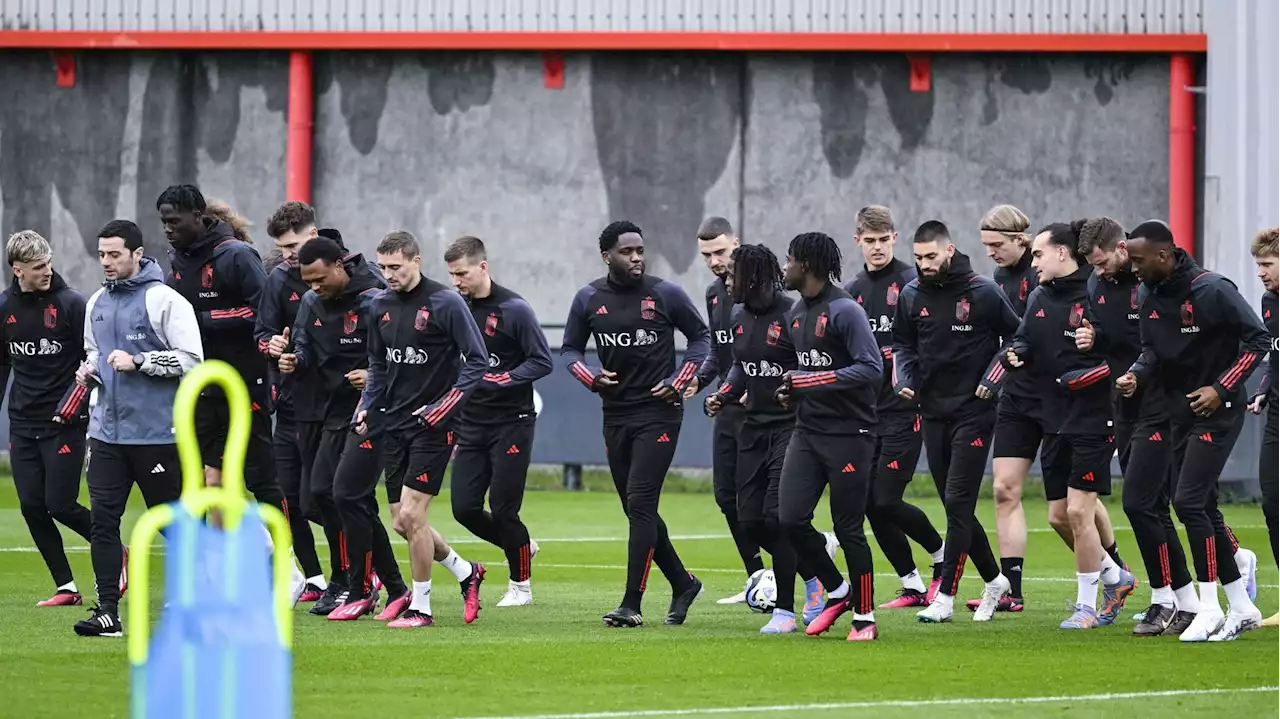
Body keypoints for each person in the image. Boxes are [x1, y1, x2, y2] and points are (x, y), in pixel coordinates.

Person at [1121, 219, 1267, 641]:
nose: (1133, 268)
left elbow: (1256, 341)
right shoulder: (1148, 292)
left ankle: (1207, 607)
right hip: (1178, 413)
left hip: (1218, 413)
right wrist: (1136, 374)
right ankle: (1241, 605)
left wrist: (1221, 389)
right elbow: (1151, 350)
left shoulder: (1212, 289)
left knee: (1187, 503)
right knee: (1203, 506)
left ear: (1164, 255)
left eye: (1138, 259)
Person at [562, 220, 710, 628]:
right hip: (615, 414)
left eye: (640, 250)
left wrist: (679, 381)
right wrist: (589, 376)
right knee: (635, 507)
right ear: (607, 256)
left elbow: (702, 338)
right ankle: (683, 583)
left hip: (659, 413)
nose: (637, 258)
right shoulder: (589, 298)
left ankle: (632, 603)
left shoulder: (665, 293)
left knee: (642, 502)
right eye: (627, 251)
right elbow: (570, 350)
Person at [66, 220, 202, 637]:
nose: (106, 262)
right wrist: (89, 372)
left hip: (158, 435)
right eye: (102, 254)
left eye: (114, 255)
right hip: (106, 434)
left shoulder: (166, 301)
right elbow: (95, 352)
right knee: (104, 521)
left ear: (137, 255)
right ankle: (107, 611)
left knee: (173, 521)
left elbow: (193, 361)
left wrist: (140, 361)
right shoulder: (96, 304)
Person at [1080, 218, 1209, 635]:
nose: (1098, 273)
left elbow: (1169, 343)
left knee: (1140, 502)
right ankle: (1171, 600)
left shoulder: (1152, 284)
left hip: (1162, 405)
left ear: (1122, 248)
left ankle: (1184, 596)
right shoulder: (1098, 286)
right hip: (1125, 405)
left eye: (1102, 263)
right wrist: (1092, 339)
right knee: (1150, 506)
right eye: (1093, 267)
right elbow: (1108, 335)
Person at [275, 236, 410, 622]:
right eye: (307, 281)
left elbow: (400, 354)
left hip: (372, 412)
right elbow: (303, 349)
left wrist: (372, 376)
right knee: (324, 498)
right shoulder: (311, 303)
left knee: (345, 495)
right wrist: (292, 361)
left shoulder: (374, 299)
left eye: (319, 279)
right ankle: (386, 585)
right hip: (330, 412)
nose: (313, 287)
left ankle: (357, 585)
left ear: (339, 266)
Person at [1003, 223, 1127, 629]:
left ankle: (1086, 606)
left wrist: (1089, 373)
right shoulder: (1038, 295)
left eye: (1038, 254)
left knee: (1078, 511)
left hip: (1093, 417)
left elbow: (1121, 351)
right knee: (1058, 516)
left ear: (1061, 253)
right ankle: (1116, 576)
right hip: (1052, 417)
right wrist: (1016, 354)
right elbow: (1024, 338)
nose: (1032, 262)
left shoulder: (1096, 293)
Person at [362, 231, 488, 629]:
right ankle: (466, 571)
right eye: (383, 268)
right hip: (394, 423)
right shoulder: (378, 305)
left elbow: (477, 360)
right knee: (401, 522)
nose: (388, 275)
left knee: (414, 516)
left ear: (416, 261)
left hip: (435, 426)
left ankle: (422, 608)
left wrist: (444, 406)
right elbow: (377, 365)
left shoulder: (445, 302)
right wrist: (366, 406)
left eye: (395, 267)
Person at [892, 220, 1015, 624]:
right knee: (953, 503)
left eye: (931, 256)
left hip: (975, 412)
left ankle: (944, 595)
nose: (924, 264)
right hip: (932, 411)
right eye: (918, 258)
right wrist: (906, 381)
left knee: (959, 502)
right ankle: (996, 580)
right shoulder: (911, 294)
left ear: (949, 250)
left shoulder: (982, 291)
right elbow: (903, 346)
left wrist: (992, 380)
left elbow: (1017, 339)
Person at [763, 233, 883, 642]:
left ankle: (865, 616)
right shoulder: (796, 313)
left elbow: (871, 369)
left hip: (851, 435)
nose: (785, 268)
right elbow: (806, 376)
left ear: (807, 266)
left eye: (789, 260)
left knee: (848, 528)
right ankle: (839, 591)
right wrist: (789, 388)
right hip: (808, 432)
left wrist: (810, 380)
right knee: (790, 519)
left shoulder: (846, 310)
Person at [704, 243, 824, 633]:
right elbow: (741, 363)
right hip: (752, 426)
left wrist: (794, 388)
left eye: (732, 274)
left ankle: (785, 612)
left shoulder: (792, 313)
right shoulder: (737, 314)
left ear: (753, 277)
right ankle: (815, 573)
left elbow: (810, 364)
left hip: (791, 427)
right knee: (750, 519)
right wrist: (724, 392)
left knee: (777, 516)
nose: (725, 279)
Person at [158, 185, 287, 521]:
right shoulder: (176, 263)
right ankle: (220, 559)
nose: (168, 229)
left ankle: (289, 560)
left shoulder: (238, 256)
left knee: (260, 478)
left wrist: (201, 321)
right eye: (163, 223)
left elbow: (262, 313)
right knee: (203, 481)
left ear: (198, 216)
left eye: (174, 221)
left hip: (246, 381)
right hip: (200, 386)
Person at [842, 206, 945, 607]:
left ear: (894, 238)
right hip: (866, 414)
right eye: (870, 241)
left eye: (884, 240)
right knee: (868, 503)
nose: (878, 248)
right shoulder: (852, 292)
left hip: (905, 410)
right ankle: (912, 584)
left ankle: (941, 558)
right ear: (858, 242)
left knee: (886, 498)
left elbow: (927, 342)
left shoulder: (911, 283)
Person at [444, 236, 552, 607]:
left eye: (462, 274)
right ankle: (522, 545)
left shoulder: (514, 309)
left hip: (512, 421)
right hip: (471, 424)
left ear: (483, 267)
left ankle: (521, 586)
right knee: (464, 509)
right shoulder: (453, 307)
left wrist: (503, 378)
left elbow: (542, 361)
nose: (457, 282)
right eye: (452, 275)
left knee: (505, 509)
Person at [1, 231, 94, 607]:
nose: (47, 271)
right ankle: (66, 587)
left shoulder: (72, 304)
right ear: (17, 269)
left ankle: (113, 546)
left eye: (48, 264)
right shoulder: (4, 307)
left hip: (65, 422)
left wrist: (81, 402)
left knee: (61, 504)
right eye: (38, 267)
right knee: (31, 507)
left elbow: (93, 358)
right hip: (22, 424)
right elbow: (2, 365)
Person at [259, 201, 340, 607]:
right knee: (289, 500)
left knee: (325, 498)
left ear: (313, 235)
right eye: (282, 247)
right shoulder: (277, 280)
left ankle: (359, 572)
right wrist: (272, 346)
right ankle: (316, 578)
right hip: (289, 406)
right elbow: (263, 334)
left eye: (293, 245)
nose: (288, 254)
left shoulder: (345, 275)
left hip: (334, 408)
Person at [688, 217, 765, 604]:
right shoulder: (714, 295)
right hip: (729, 407)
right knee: (725, 497)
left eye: (720, 251)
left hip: (765, 411)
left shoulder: (765, 288)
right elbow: (719, 356)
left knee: (766, 503)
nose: (715, 261)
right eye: (707, 255)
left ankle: (815, 550)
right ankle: (757, 576)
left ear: (736, 242)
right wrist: (697, 383)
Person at [1246, 226, 1280, 627]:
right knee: (1273, 501)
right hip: (1277, 415)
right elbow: (1274, 358)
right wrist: (1264, 390)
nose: (1260, 272)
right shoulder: (1270, 302)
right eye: (1258, 265)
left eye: (1267, 264)